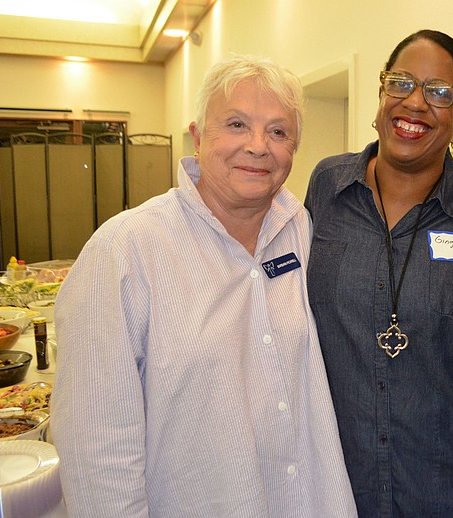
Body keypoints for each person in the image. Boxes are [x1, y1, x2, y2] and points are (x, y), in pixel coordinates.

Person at [51, 55, 357, 517]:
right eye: (236, 124)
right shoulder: (125, 251)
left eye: (278, 132)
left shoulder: (304, 232)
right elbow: (98, 451)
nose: (258, 146)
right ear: (197, 137)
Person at [305, 30, 453, 516]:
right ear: (381, 95)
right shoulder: (326, 190)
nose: (416, 103)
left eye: (440, 93)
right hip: (343, 488)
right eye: (401, 83)